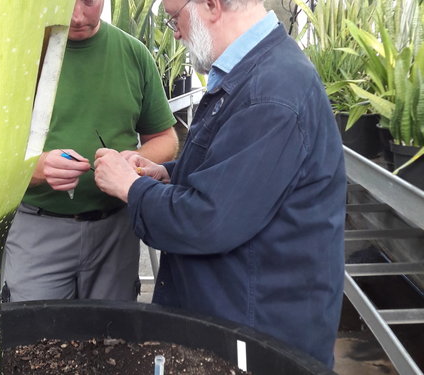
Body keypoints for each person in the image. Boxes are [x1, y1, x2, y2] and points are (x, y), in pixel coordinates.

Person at [93, 0, 346, 369]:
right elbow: (238, 176)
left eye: (174, 17)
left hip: (257, 337)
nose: (175, 31)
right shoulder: (255, 71)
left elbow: (207, 220)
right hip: (242, 316)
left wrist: (130, 187)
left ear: (211, 5)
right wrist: (169, 173)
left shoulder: (270, 93)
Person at [2, 0, 178, 303]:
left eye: (88, 2)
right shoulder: (17, 56)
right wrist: (38, 168)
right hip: (38, 229)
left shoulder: (133, 54)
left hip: (115, 230)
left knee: (111, 338)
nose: (76, 15)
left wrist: (133, 162)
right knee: (38, 339)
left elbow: (165, 138)